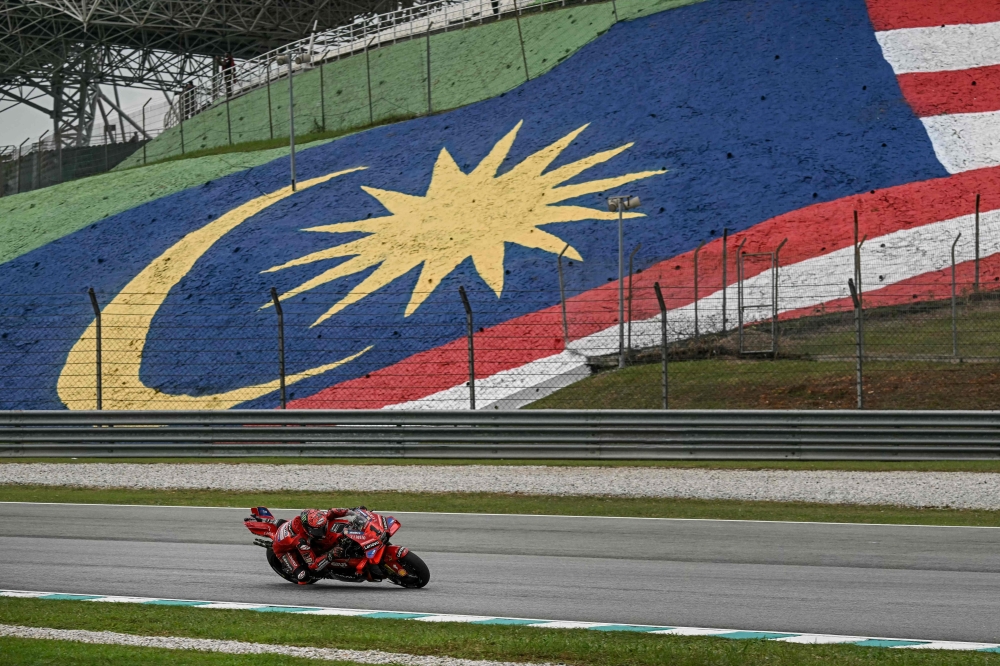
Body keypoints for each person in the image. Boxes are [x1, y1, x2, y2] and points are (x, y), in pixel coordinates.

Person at [271, 507, 355, 582]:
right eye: (317, 531)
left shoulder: (318, 517)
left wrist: (352, 511)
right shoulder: (302, 542)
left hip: (290, 531)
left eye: (323, 527)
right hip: (283, 551)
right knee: (303, 576)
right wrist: (330, 554)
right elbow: (313, 565)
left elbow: (333, 512)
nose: (321, 532)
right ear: (307, 529)